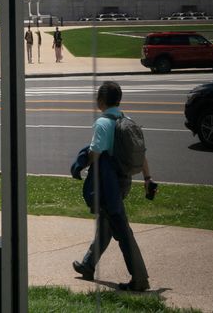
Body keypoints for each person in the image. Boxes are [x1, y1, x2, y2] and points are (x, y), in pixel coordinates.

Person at [72, 81, 151, 292]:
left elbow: (94, 153)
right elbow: (142, 154)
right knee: (107, 223)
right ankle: (88, 265)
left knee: (122, 230)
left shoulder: (103, 124)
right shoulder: (128, 121)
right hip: (124, 181)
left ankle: (140, 279)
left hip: (108, 186)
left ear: (100, 101)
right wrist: (147, 178)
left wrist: (78, 165)